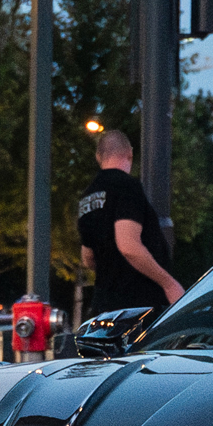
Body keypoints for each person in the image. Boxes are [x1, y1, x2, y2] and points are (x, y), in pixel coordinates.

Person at [78, 128, 183, 315]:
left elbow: (88, 257)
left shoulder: (87, 197)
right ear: (129, 155)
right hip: (136, 306)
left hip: (103, 306)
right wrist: (169, 284)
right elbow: (128, 245)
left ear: (98, 157)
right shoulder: (127, 186)